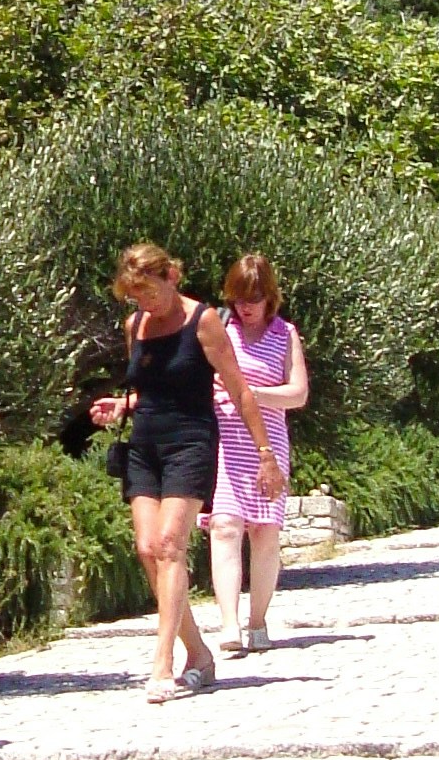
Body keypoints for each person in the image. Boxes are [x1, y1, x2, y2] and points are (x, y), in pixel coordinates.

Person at [92, 243, 286, 701]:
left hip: (192, 442)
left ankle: (163, 667)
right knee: (146, 549)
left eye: (149, 292)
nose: (145, 303)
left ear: (171, 277)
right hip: (145, 445)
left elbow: (238, 389)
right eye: (135, 296)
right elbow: (149, 391)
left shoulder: (204, 321)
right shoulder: (135, 325)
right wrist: (121, 405)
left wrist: (265, 453)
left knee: (169, 545)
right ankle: (198, 652)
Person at [207, 253, 310, 650]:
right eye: (238, 299)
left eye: (252, 298)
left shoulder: (286, 334)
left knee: (265, 533)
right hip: (226, 441)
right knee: (225, 526)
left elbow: (297, 393)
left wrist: (250, 395)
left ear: (269, 296)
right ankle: (229, 624)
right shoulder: (220, 330)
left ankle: (258, 621)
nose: (244, 307)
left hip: (270, 443)